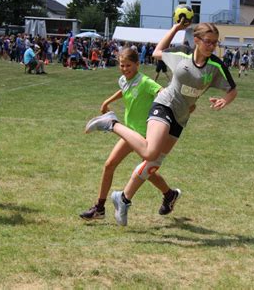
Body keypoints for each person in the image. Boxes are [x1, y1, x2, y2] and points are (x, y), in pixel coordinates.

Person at [86, 21, 237, 226]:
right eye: (208, 42)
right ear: (196, 41)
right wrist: (175, 29)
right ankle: (112, 123)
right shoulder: (182, 54)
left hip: (181, 117)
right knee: (149, 153)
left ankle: (123, 199)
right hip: (164, 105)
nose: (212, 46)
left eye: (215, 43)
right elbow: (157, 51)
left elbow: (232, 90)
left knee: (153, 164)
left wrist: (224, 100)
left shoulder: (216, 66)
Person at [80, 48, 177, 220]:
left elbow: (162, 93)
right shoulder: (123, 80)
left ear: (138, 64)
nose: (125, 69)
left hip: (146, 135)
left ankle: (169, 195)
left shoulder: (146, 82)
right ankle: (99, 208)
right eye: (122, 65)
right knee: (111, 165)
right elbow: (124, 90)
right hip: (130, 131)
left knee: (145, 171)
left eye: (129, 65)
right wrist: (107, 101)